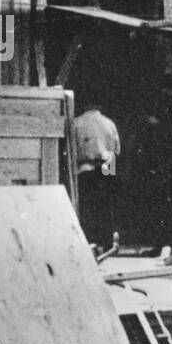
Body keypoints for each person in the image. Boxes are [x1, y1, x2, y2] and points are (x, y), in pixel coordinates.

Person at [73, 103, 121, 248]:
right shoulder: (109, 124)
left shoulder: (77, 123)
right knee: (106, 205)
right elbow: (116, 150)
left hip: (85, 167)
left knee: (87, 206)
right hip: (106, 165)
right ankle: (106, 241)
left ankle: (89, 240)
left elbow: (72, 149)